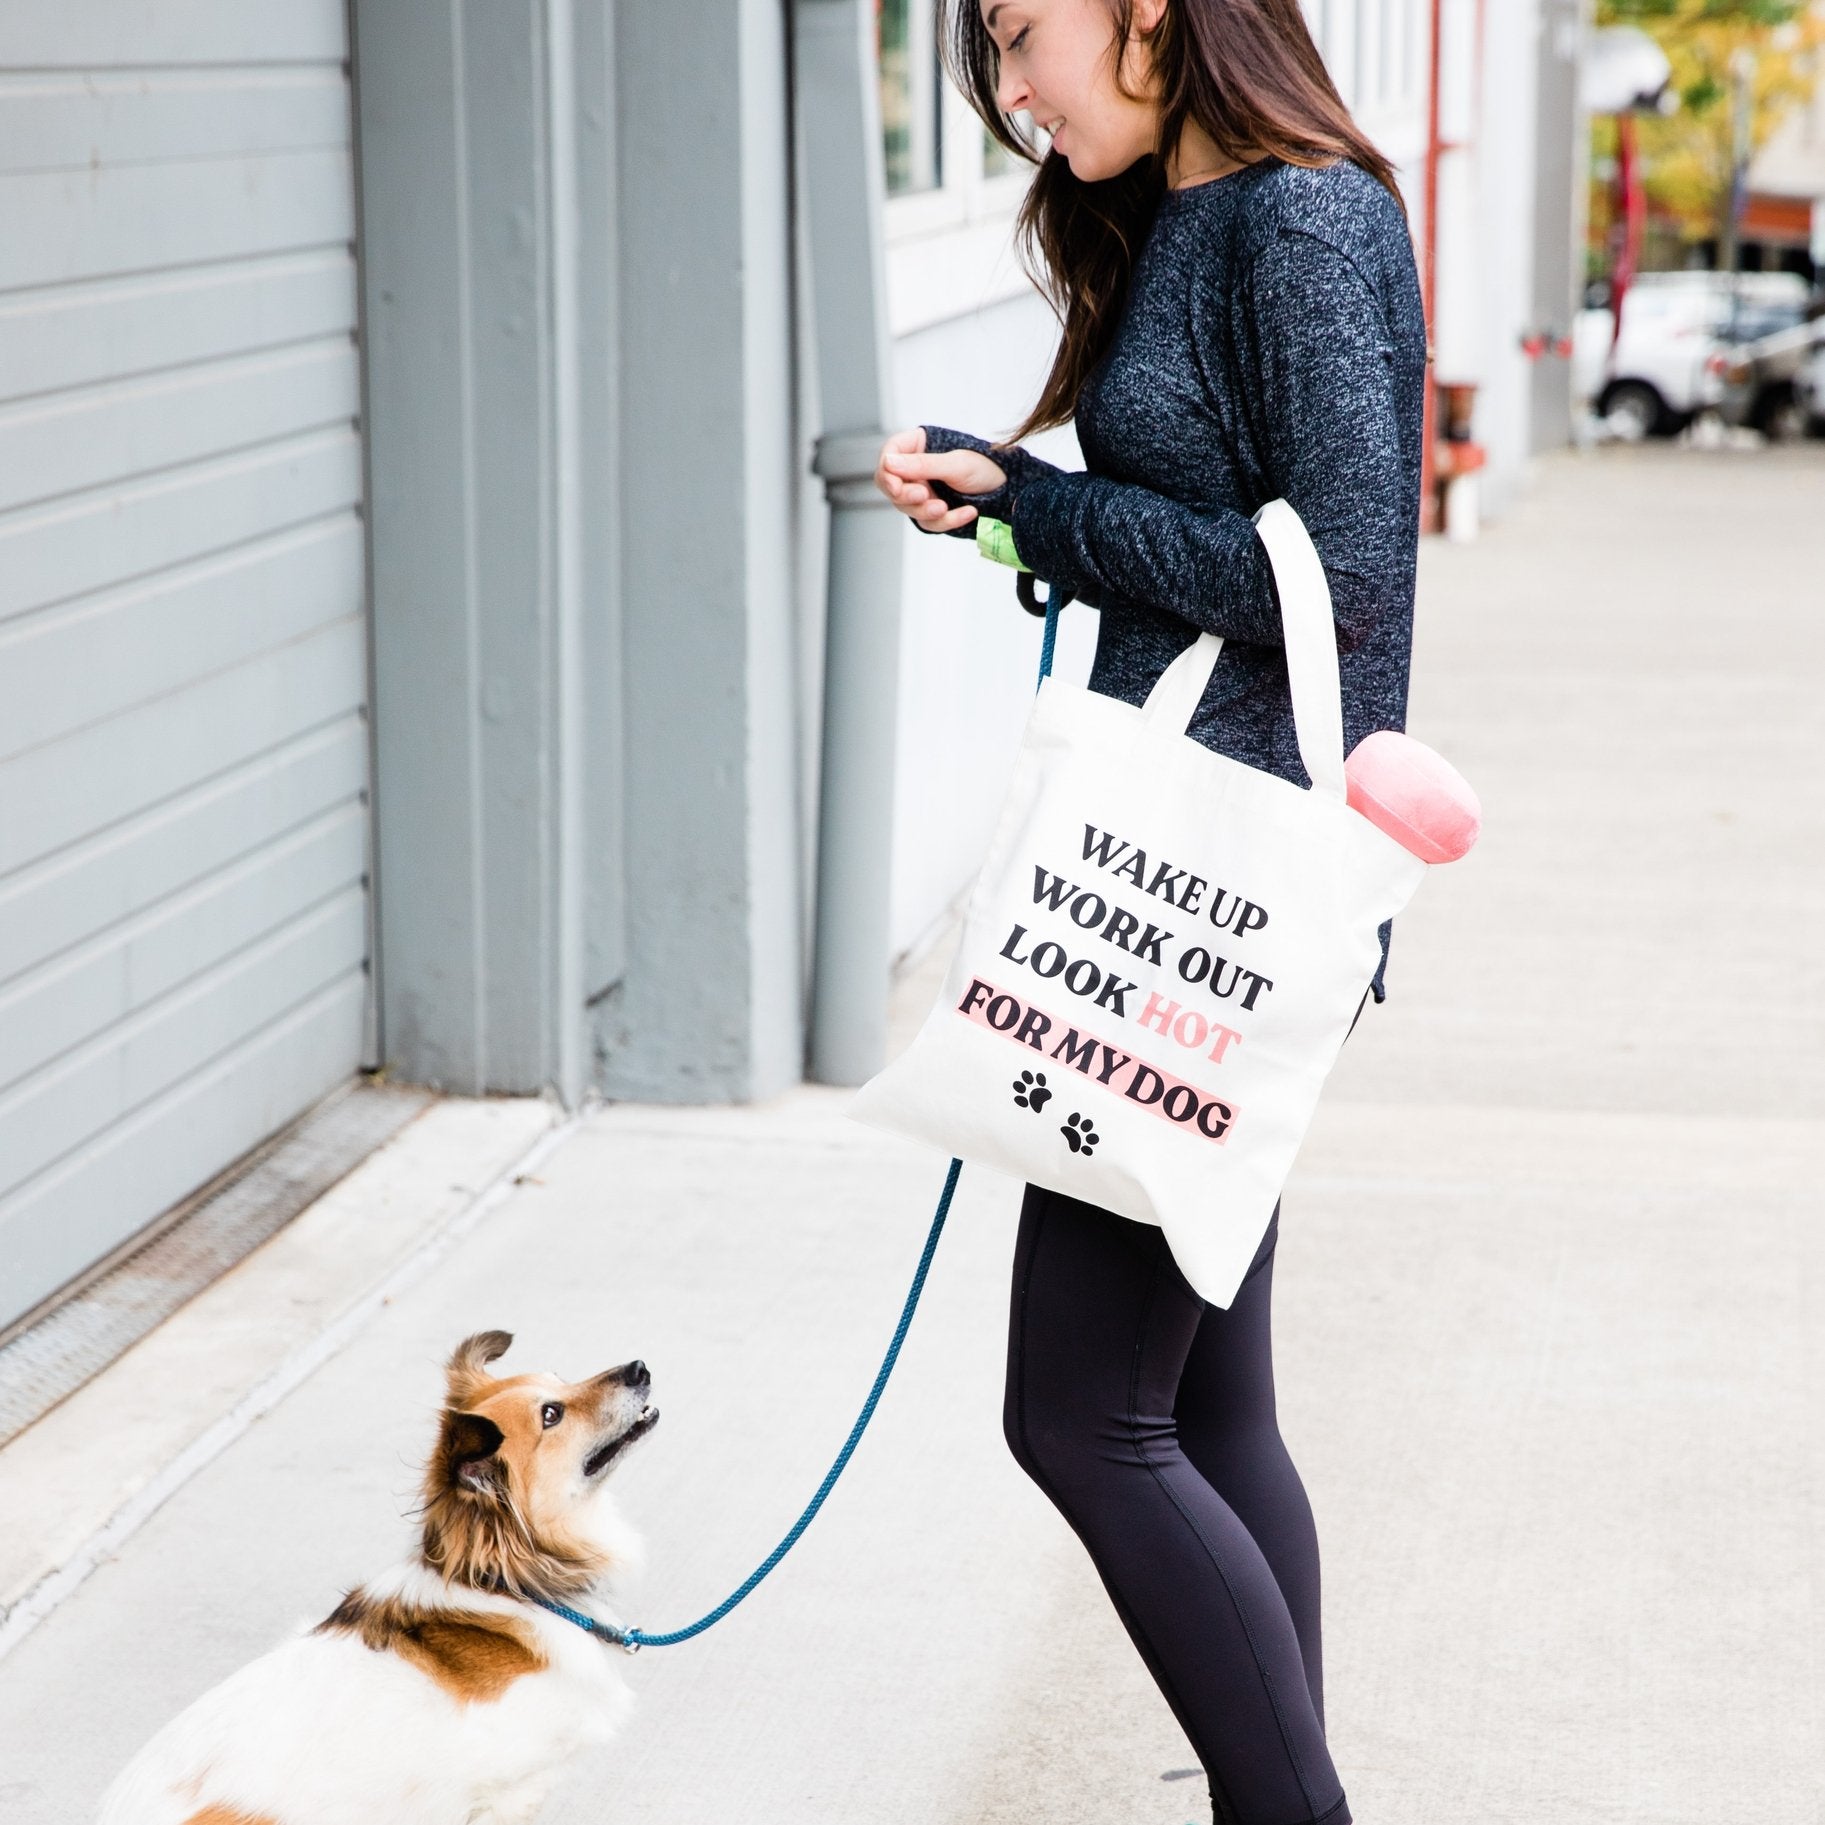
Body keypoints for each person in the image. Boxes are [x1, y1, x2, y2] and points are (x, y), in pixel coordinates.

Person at [871, 2, 1427, 1821]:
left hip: (1210, 901)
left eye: (1021, 38)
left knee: (1081, 1417)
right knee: (1198, 1412)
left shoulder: (1299, 219)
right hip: (1175, 888)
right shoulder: (1184, 211)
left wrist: (1051, 501)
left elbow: (1332, 581)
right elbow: (1194, 531)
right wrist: (1013, 510)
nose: (1009, 92)